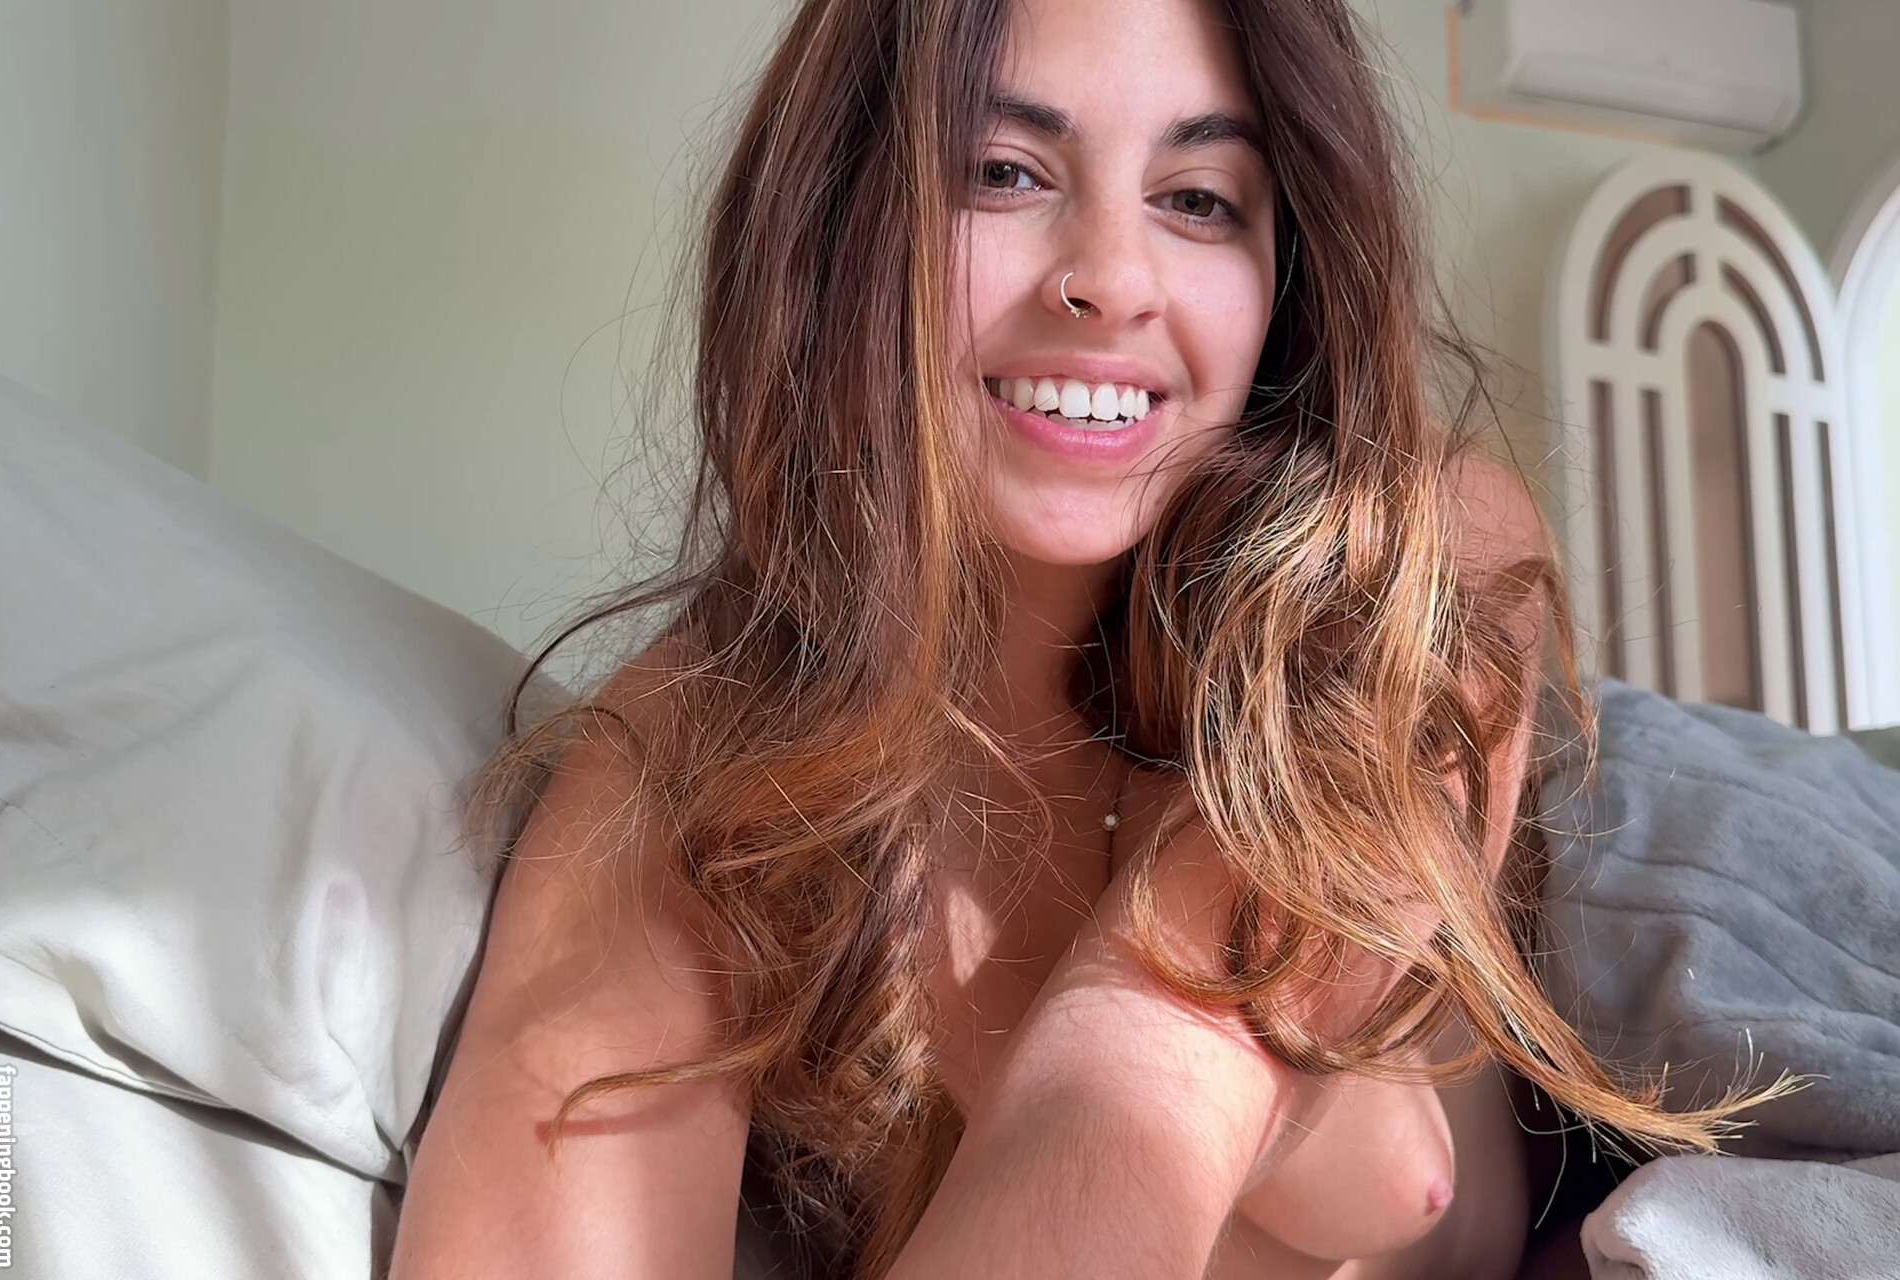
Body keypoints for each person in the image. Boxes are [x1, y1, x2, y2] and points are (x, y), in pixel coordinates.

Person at [389, 0, 1782, 1276]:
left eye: (1198, 198)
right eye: (1005, 173)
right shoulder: (693, 766)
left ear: (1287, 271)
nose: (1112, 278)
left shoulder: (1411, 553)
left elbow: (1148, 1094)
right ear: (839, 224)